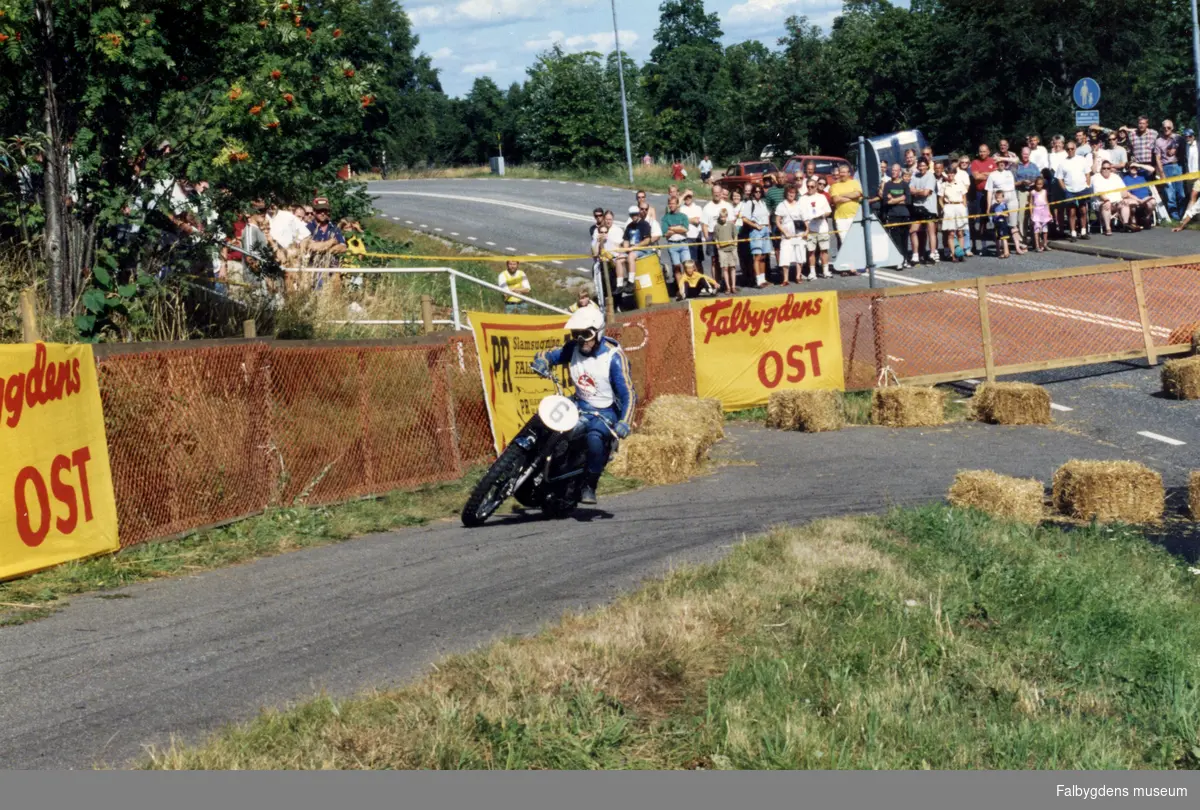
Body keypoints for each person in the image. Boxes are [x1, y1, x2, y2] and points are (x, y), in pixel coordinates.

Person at [530, 307, 634, 505]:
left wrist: (625, 421)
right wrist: (542, 362)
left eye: (586, 334)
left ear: (599, 333)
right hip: (578, 402)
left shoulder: (614, 358)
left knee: (595, 439)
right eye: (576, 334)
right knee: (544, 417)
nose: (580, 339)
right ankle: (524, 460)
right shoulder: (573, 348)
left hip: (604, 411)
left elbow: (628, 393)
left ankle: (589, 483)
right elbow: (547, 355)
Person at [986, 156, 1024, 254]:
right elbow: (989, 191)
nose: (1001, 164)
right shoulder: (992, 175)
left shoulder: (1010, 171)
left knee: (1013, 224)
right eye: (999, 162)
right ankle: (1000, 249)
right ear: (996, 164)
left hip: (1011, 196)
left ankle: (1017, 247)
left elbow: (1017, 161)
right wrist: (988, 206)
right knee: (999, 224)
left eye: (1003, 162)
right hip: (998, 198)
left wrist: (1002, 158)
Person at [1056, 140, 1093, 241]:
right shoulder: (1063, 163)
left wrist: (1087, 185)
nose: (1070, 151)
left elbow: (1088, 173)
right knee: (1071, 212)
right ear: (1066, 150)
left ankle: (1083, 231)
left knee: (1083, 210)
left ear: (1075, 149)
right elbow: (1059, 178)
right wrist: (1065, 189)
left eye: (1072, 149)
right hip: (1070, 190)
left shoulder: (1082, 159)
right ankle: (1073, 233)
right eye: (1068, 149)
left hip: (1082, 189)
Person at [798, 177, 833, 279]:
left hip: (822, 227)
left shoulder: (821, 197)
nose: (810, 188)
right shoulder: (802, 199)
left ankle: (825, 271)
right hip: (810, 228)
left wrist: (822, 216)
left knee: (824, 250)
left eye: (812, 187)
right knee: (811, 251)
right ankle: (812, 272)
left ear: (816, 187)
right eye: (808, 187)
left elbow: (828, 211)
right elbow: (799, 214)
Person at [881, 164, 913, 268]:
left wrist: (893, 199)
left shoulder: (904, 184)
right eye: (892, 170)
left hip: (904, 215)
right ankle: (898, 260)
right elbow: (886, 201)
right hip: (893, 215)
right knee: (896, 238)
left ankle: (905, 259)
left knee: (904, 238)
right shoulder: (887, 185)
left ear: (900, 171)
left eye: (896, 170)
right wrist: (900, 198)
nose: (894, 172)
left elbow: (908, 200)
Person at [774, 184, 806, 285]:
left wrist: (807, 231)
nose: (791, 194)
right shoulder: (781, 205)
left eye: (793, 192)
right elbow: (778, 221)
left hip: (799, 234)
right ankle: (785, 279)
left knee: (799, 256)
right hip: (787, 235)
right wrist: (784, 232)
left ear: (796, 194)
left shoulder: (800, 205)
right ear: (786, 193)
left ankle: (798, 276)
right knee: (785, 256)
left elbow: (805, 220)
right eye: (789, 192)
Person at [908, 157, 938, 264]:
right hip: (917, 206)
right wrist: (919, 191)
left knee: (931, 232)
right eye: (920, 165)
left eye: (923, 165)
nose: (921, 168)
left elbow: (926, 193)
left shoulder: (931, 176)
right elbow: (910, 190)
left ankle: (932, 254)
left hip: (929, 207)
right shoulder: (914, 176)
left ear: (927, 166)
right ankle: (915, 255)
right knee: (913, 230)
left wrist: (917, 191)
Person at [741, 184, 772, 288]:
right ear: (753, 193)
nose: (758, 193)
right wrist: (755, 226)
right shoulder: (750, 203)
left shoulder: (762, 203)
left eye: (759, 191)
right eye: (756, 191)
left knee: (764, 256)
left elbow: (767, 216)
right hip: (756, 231)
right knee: (757, 256)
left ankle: (763, 279)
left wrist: (768, 227)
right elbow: (744, 218)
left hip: (765, 230)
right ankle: (758, 280)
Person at [969, 143, 996, 256]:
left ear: (988, 152)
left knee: (986, 220)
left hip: (991, 193)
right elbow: (976, 176)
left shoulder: (992, 162)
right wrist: (988, 175)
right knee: (977, 219)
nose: (982, 153)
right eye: (980, 151)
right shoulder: (975, 163)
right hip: (979, 193)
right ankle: (974, 245)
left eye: (984, 151)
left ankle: (985, 244)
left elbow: (995, 175)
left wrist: (984, 174)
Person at [616, 204, 651, 292]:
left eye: (635, 214)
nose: (634, 216)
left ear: (639, 214)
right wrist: (625, 249)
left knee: (631, 256)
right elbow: (626, 241)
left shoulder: (644, 224)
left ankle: (631, 282)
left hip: (642, 249)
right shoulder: (629, 226)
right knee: (618, 259)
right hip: (631, 250)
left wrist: (636, 247)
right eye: (632, 215)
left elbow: (647, 240)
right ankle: (619, 285)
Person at [1155, 119, 1185, 220]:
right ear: (1162, 128)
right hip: (1166, 167)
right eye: (1164, 128)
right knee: (1170, 194)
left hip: (1178, 166)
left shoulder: (1178, 138)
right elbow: (1158, 158)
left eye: (1169, 127)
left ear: (1172, 128)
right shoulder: (1158, 141)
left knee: (1181, 193)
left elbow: (1185, 151)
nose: (1166, 129)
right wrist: (1161, 173)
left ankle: (1183, 215)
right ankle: (1175, 217)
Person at [939, 162, 969, 262]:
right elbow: (940, 199)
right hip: (949, 207)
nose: (950, 175)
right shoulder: (943, 185)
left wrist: (964, 206)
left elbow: (964, 197)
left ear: (955, 174)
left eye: (952, 173)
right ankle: (953, 255)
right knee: (951, 233)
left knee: (960, 232)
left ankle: (960, 254)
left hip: (959, 207)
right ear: (946, 174)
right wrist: (944, 208)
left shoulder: (960, 183)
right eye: (948, 173)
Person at [660, 194, 691, 289]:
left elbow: (685, 229)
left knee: (688, 266)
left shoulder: (683, 216)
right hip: (672, 245)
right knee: (677, 268)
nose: (671, 205)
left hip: (683, 243)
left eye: (673, 204)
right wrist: (678, 228)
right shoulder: (665, 218)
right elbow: (665, 233)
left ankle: (689, 287)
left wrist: (672, 228)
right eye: (670, 204)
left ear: (678, 205)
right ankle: (681, 289)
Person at [1091, 161, 1129, 235]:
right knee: (1107, 204)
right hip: (1101, 202)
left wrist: (1124, 198)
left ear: (1110, 169)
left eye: (1108, 168)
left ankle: (1125, 225)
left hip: (1116, 201)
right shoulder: (1096, 177)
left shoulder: (1116, 177)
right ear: (1101, 169)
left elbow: (1124, 189)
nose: (1106, 170)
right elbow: (1099, 193)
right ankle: (1108, 228)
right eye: (1104, 168)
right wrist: (1107, 200)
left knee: (1125, 203)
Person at [1013, 147, 1041, 242]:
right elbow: (1012, 182)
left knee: (1033, 214)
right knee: (1021, 215)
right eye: (1024, 154)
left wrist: (1035, 183)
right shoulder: (1016, 166)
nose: (1025, 156)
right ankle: (1022, 237)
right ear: (1021, 154)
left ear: (1029, 155)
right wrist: (1021, 182)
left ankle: (1035, 238)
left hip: (1033, 192)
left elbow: (1040, 179)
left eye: (1027, 154)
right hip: (1021, 192)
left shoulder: (1034, 166)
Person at [713, 208, 739, 294]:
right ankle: (728, 287)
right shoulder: (717, 226)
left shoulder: (731, 224)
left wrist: (735, 243)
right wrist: (718, 245)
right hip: (722, 250)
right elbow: (716, 237)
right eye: (721, 217)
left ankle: (733, 286)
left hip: (731, 248)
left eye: (724, 217)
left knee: (732, 267)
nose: (722, 219)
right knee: (725, 268)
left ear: (726, 216)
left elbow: (735, 235)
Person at [679, 189, 705, 268]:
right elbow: (679, 220)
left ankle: (700, 279)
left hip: (696, 237)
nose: (687, 198)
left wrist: (686, 220)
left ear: (692, 197)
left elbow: (697, 221)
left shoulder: (698, 208)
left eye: (689, 196)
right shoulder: (681, 208)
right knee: (687, 263)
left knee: (697, 262)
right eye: (686, 197)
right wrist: (690, 220)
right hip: (685, 237)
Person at [1030, 175, 1052, 251]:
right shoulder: (1032, 192)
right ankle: (1037, 245)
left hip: (1044, 211)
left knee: (1045, 229)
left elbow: (1046, 202)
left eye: (1041, 184)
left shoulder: (1044, 191)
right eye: (1038, 184)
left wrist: (1049, 212)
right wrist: (1031, 213)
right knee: (1037, 229)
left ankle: (1045, 244)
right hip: (1036, 212)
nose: (1039, 186)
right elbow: (1031, 203)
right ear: (1035, 184)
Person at [991, 191, 1015, 259]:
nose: (998, 199)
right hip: (996, 224)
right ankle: (999, 252)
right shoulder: (993, 206)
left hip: (1002, 223)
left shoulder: (1004, 205)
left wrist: (1001, 213)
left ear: (1003, 198)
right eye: (996, 198)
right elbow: (991, 213)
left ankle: (1006, 252)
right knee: (997, 238)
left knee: (1004, 238)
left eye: (1000, 198)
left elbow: (1007, 214)